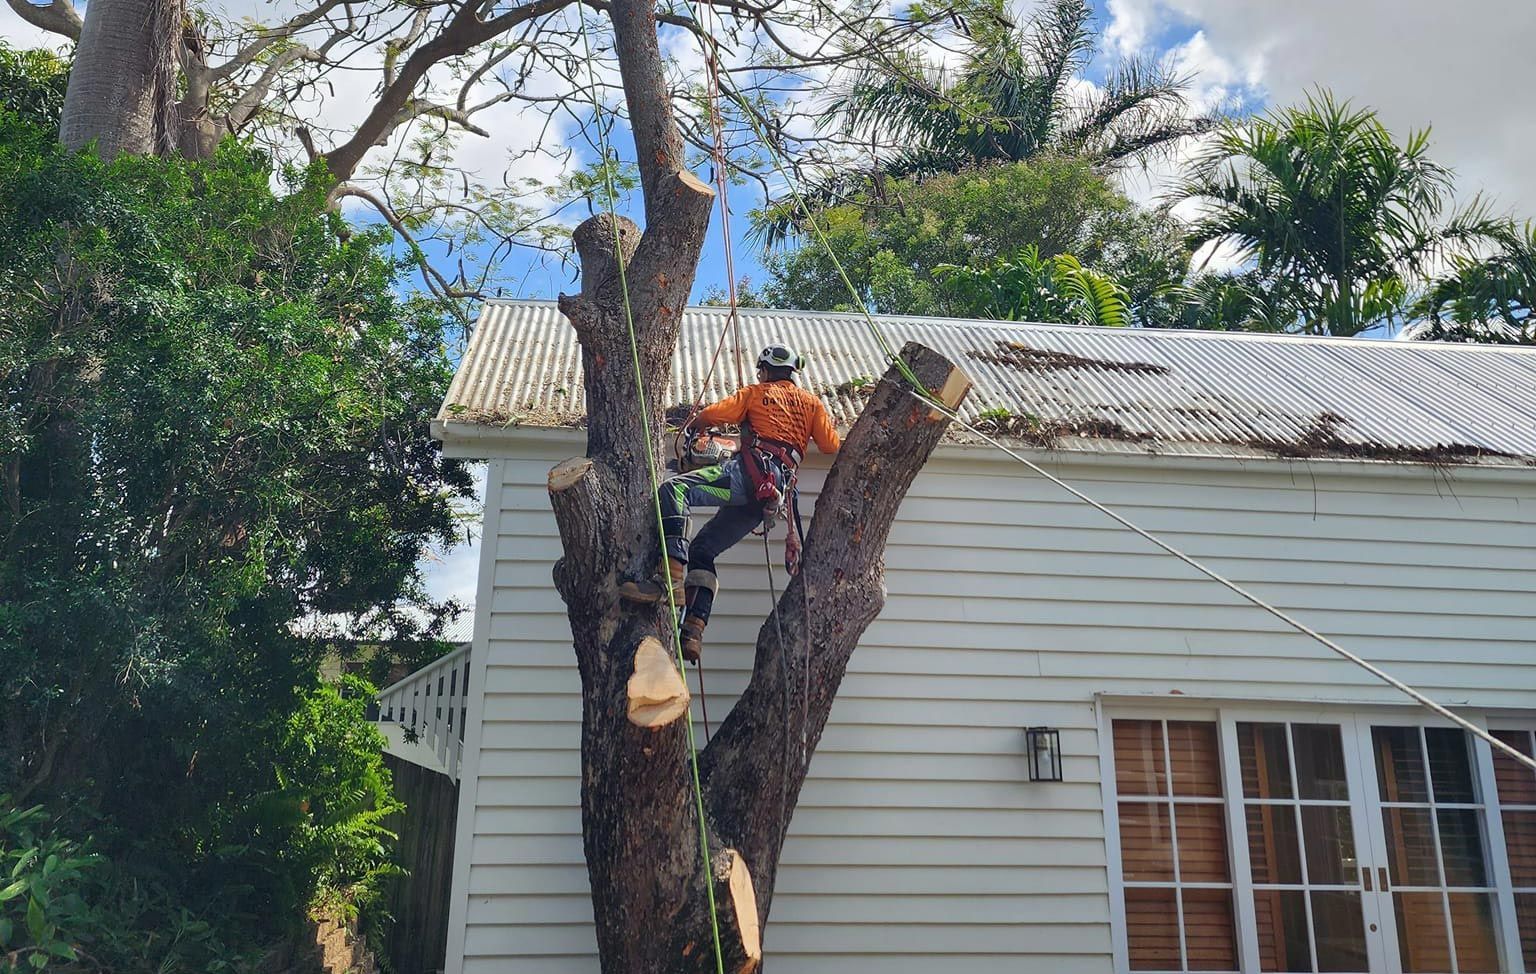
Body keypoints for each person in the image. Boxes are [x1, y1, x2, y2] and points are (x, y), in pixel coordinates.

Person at [619, 343, 841, 662]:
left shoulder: (755, 393)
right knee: (704, 550)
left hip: (746, 478)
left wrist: (696, 425)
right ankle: (693, 629)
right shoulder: (812, 403)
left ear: (765, 371)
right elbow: (830, 445)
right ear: (793, 373)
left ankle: (670, 577)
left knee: (674, 491)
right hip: (769, 495)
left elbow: (713, 414)